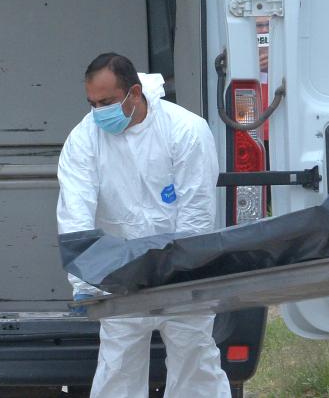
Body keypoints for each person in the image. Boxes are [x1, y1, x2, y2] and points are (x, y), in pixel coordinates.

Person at [57, 53, 231, 398]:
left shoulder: (185, 130)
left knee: (194, 360)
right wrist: (84, 278)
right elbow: (75, 210)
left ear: (134, 92)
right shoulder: (84, 138)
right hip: (120, 272)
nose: (97, 112)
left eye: (106, 102)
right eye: (92, 103)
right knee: (118, 366)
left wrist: (183, 271)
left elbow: (196, 214)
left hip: (182, 268)